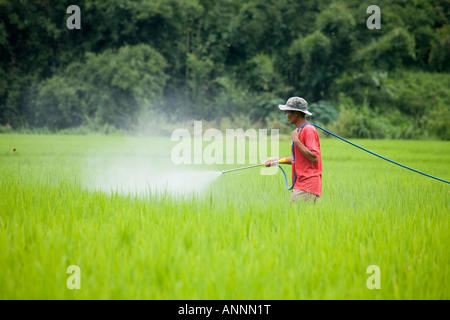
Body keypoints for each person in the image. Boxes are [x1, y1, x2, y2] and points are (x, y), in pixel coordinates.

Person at [265, 97, 322, 203]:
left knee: (294, 217)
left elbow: (314, 157)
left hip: (306, 186)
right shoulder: (299, 130)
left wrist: (296, 140)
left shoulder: (308, 130)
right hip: (301, 185)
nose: (286, 116)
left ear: (296, 113)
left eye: (287, 112)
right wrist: (275, 160)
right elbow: (296, 159)